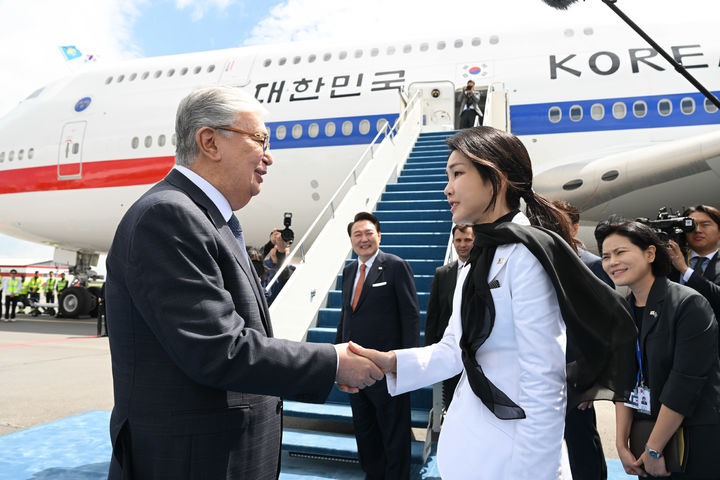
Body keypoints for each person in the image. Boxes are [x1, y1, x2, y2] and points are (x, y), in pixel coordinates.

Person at [104, 85, 383, 480]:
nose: (269, 156)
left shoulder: (208, 219)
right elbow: (218, 349)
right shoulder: (168, 216)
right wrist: (332, 363)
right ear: (210, 142)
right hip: (190, 463)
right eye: (259, 139)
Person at [341, 126, 637, 480]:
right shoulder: (478, 258)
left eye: (457, 174)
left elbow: (544, 383)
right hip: (472, 450)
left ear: (496, 177)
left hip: (511, 461)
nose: (447, 188)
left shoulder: (526, 255)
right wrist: (391, 362)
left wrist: (532, 473)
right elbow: (454, 349)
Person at [596, 219, 720, 479]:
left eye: (620, 252)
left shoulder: (689, 304)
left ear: (650, 253)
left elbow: (685, 383)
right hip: (647, 436)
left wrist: (654, 448)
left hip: (693, 437)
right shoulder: (622, 311)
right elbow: (624, 381)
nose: (612, 262)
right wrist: (621, 443)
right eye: (606, 256)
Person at [334, 211, 421, 480]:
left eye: (368, 233)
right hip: (354, 369)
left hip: (386, 369)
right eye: (357, 234)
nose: (363, 239)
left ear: (379, 236)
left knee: (394, 432)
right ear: (351, 240)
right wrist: (337, 357)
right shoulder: (349, 271)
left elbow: (410, 315)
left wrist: (405, 363)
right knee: (365, 430)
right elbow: (346, 316)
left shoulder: (395, 266)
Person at [554, 199, 612, 480]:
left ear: (575, 227)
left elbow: (604, 325)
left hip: (577, 373)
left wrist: (592, 378)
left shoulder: (594, 266)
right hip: (543, 368)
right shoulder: (537, 261)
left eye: (561, 223)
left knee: (581, 441)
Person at [424, 223, 473, 409]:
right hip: (450, 352)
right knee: (452, 404)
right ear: (453, 242)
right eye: (458, 240)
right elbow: (433, 316)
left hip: (477, 353)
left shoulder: (486, 270)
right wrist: (430, 353)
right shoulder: (442, 274)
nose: (463, 244)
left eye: (467, 240)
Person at [668, 205, 720, 331]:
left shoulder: (679, 262)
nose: (698, 230)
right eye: (691, 225)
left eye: (705, 224)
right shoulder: (669, 260)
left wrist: (684, 269)